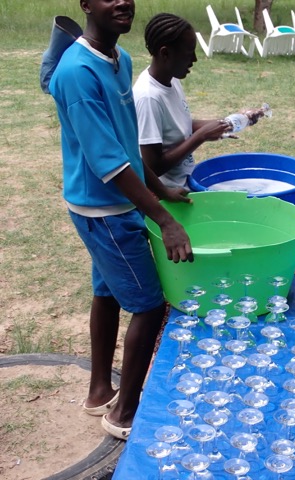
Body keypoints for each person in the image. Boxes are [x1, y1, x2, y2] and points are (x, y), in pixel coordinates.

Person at [46, 0, 194, 439]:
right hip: (105, 209)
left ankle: (98, 392)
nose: (121, 3)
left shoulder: (120, 58)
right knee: (149, 305)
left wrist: (161, 187)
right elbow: (108, 162)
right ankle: (124, 414)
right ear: (86, 4)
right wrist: (164, 218)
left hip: (118, 203)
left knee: (107, 293)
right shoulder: (76, 74)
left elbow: (127, 142)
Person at [133, 13, 263, 190]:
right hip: (168, 193)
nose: (194, 59)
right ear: (165, 53)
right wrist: (201, 137)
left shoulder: (170, 79)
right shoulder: (148, 97)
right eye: (188, 54)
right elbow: (153, 167)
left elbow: (178, 125)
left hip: (184, 181)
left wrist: (228, 122)